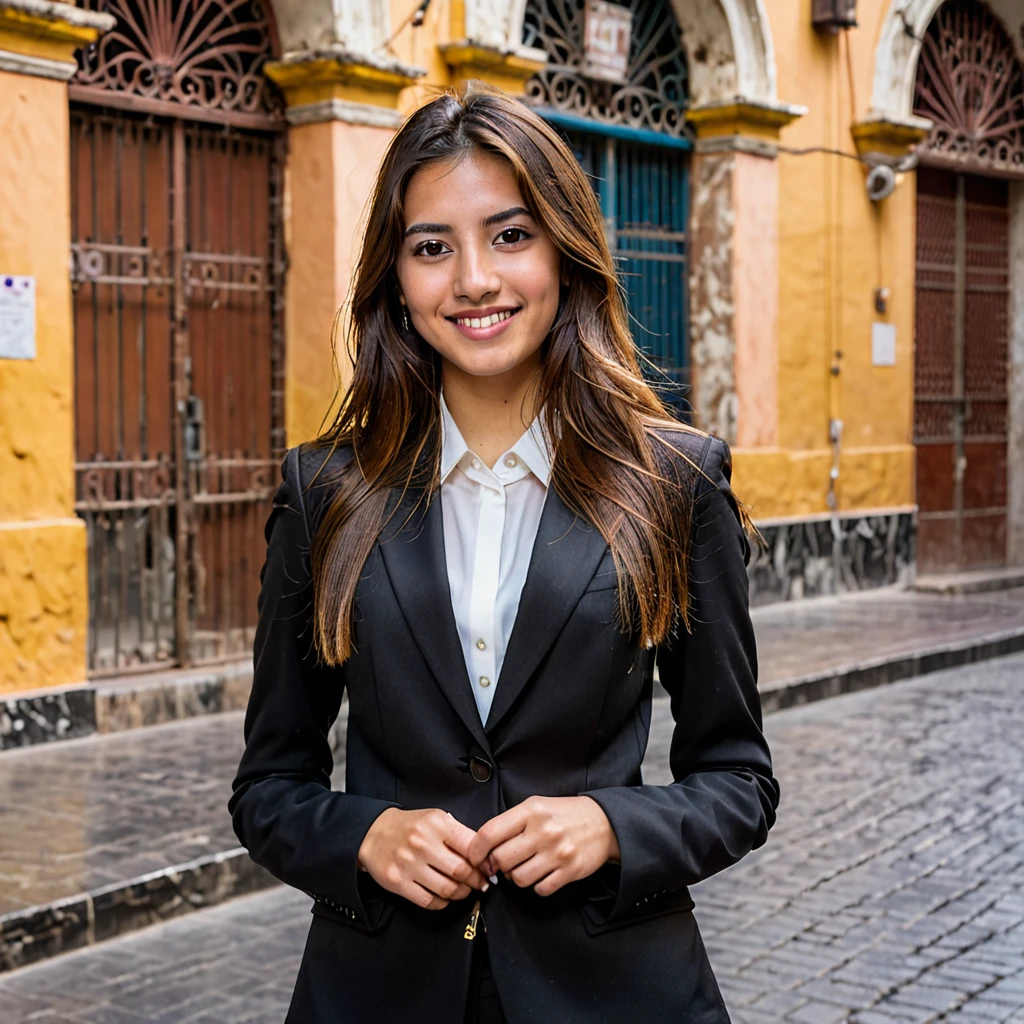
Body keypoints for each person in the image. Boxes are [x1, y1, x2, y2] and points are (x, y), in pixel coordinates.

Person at [229, 82, 779, 1023]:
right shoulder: (325, 490)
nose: (474, 278)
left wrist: (614, 825)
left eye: (511, 235)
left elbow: (738, 779)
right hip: (378, 992)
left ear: (565, 256)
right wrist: (366, 838)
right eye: (432, 247)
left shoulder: (674, 483)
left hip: (615, 989)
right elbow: (268, 787)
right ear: (396, 282)